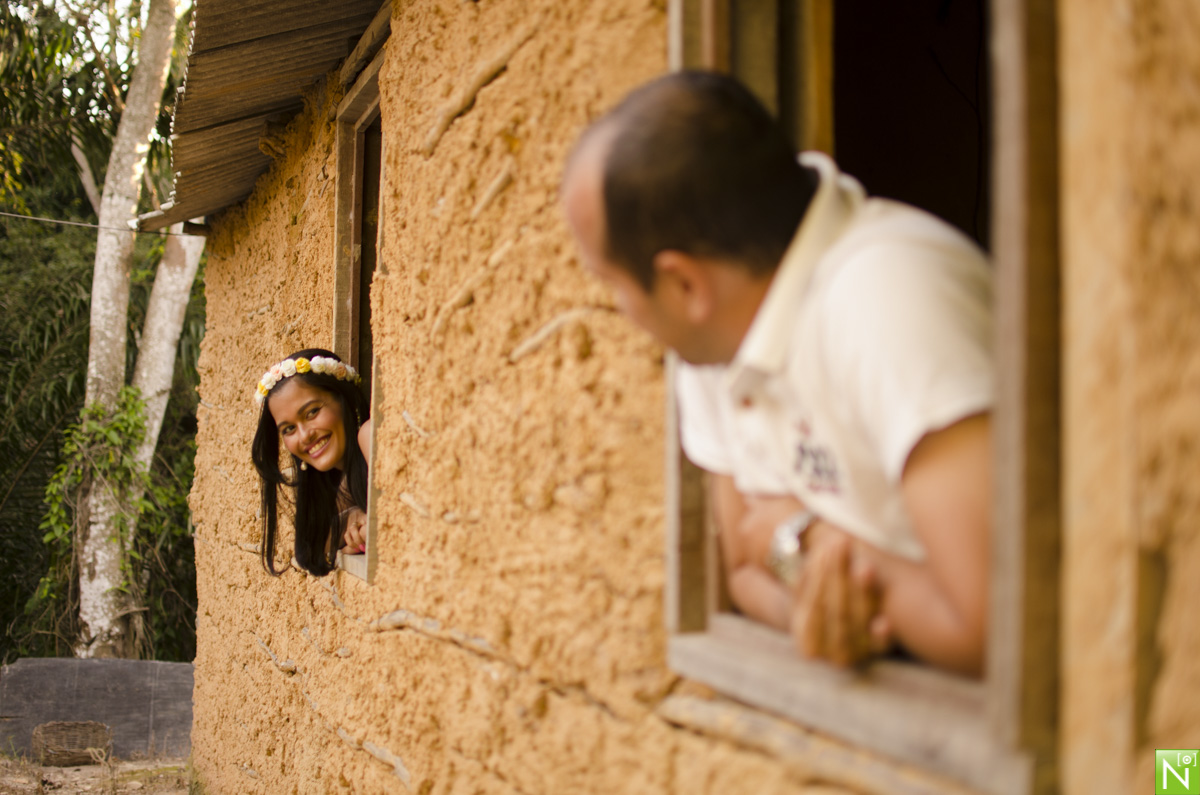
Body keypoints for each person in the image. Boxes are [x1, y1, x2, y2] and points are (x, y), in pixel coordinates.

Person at [561, 71, 993, 675]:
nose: (617, 309)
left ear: (685, 283)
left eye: (612, 284)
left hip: (1151, 751)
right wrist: (820, 616)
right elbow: (742, 568)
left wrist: (796, 536)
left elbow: (992, 625)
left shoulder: (890, 297)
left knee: (1174, 774)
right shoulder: (712, 345)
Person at [251, 348, 373, 577]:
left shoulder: (370, 436)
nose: (305, 435)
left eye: (312, 412)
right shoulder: (345, 485)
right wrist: (351, 520)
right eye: (289, 429)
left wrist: (365, 530)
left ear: (344, 398)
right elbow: (312, 545)